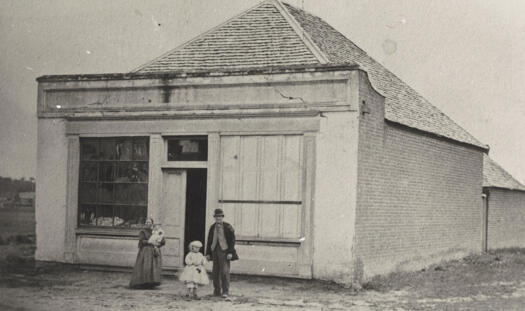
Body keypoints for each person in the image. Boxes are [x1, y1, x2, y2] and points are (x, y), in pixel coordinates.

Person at [205, 208, 238, 299]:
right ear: (214, 217)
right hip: (214, 250)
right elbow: (209, 240)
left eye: (220, 216)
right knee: (215, 272)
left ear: (222, 217)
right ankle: (217, 291)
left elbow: (232, 240)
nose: (218, 218)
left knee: (224, 271)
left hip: (225, 251)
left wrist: (230, 252)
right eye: (216, 216)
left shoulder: (228, 227)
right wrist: (208, 253)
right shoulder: (212, 227)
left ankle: (225, 291)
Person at [129, 217, 165, 289]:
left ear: (152, 223)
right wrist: (149, 241)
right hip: (146, 251)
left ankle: (152, 282)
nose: (148, 224)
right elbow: (142, 241)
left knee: (154, 267)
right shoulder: (143, 231)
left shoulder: (156, 231)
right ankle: (143, 282)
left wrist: (159, 243)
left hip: (154, 250)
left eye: (149, 222)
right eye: (147, 222)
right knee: (146, 266)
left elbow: (162, 241)